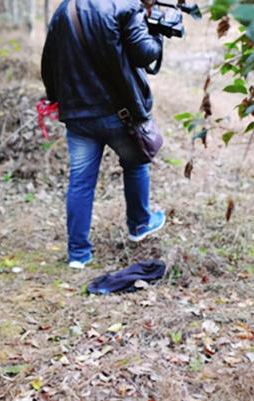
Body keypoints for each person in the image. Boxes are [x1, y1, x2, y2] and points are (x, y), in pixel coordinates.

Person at [41, 0, 165, 269]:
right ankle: (139, 226)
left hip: (78, 116)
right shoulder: (124, 7)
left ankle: (78, 254)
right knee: (135, 165)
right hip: (118, 114)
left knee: (80, 182)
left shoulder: (63, 10)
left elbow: (48, 62)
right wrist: (156, 32)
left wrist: (58, 99)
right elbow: (145, 54)